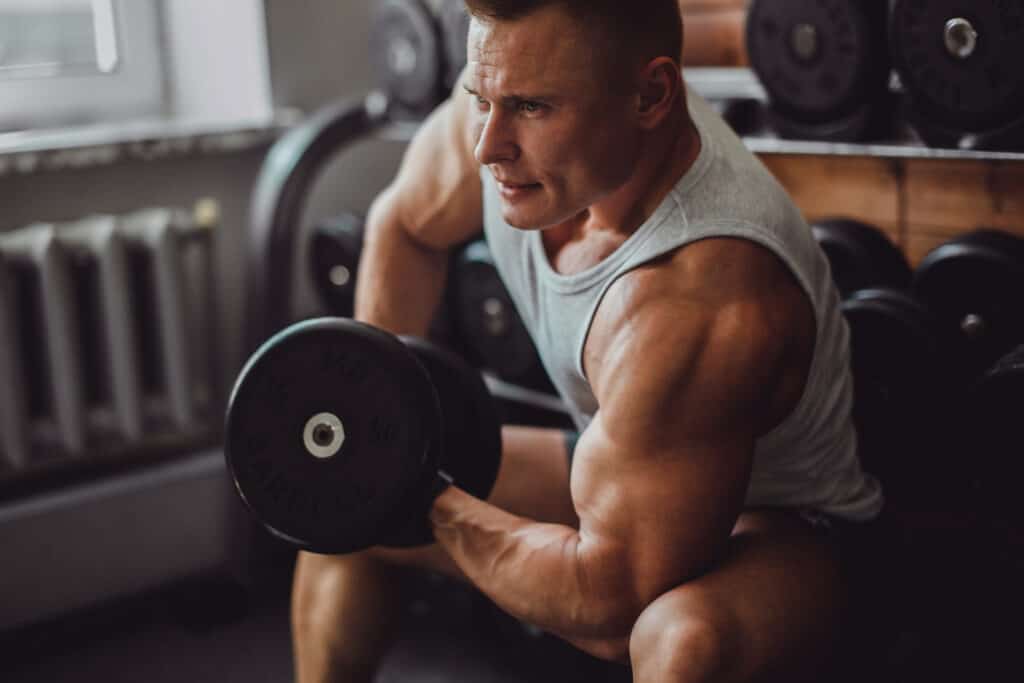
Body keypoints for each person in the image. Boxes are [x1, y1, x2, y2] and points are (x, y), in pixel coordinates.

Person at [291, 1, 884, 681]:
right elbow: (404, 226)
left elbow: (608, 602)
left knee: (679, 641)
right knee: (333, 494)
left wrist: (413, 490)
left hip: (788, 524)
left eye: (533, 107)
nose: (489, 145)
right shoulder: (495, 125)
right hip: (639, 458)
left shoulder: (698, 292)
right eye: (480, 98)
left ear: (653, 95)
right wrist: (377, 414)